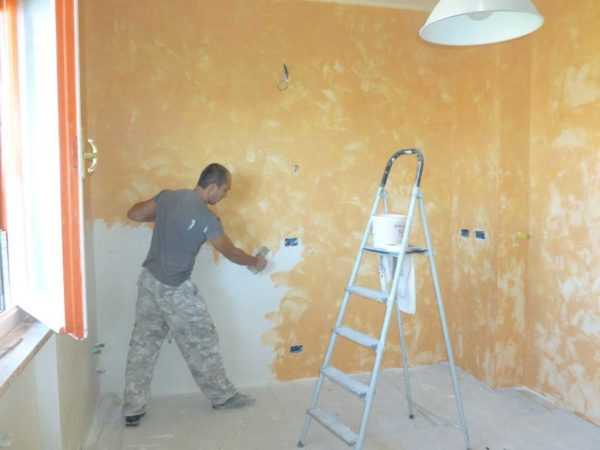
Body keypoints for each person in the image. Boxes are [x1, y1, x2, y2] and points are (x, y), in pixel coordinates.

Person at [122, 163, 267, 426]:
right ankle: (222, 397)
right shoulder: (206, 218)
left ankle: (133, 408)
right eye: (225, 190)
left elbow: (134, 213)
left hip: (149, 282)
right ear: (212, 186)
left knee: (143, 344)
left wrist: (164, 216)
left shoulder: (167, 197)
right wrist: (255, 261)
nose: (224, 195)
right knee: (203, 340)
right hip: (175, 288)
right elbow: (231, 252)